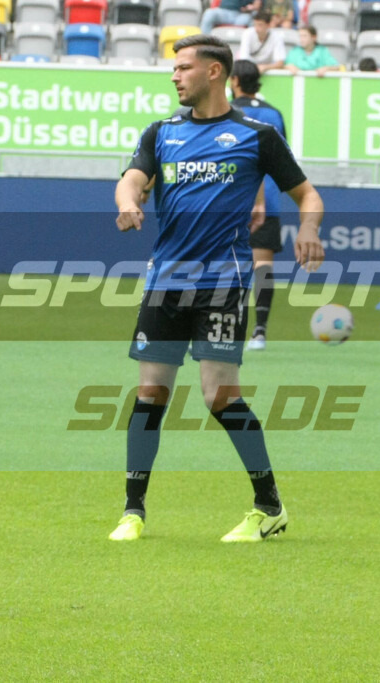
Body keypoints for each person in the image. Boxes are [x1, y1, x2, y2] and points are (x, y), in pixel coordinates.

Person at [112, 35, 325, 542]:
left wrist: (310, 229)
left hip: (223, 283)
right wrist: (128, 200)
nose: (174, 76)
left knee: (219, 396)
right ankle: (132, 511)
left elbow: (307, 194)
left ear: (214, 72)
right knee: (150, 393)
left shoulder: (256, 135)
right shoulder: (161, 132)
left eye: (183, 67)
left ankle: (269, 506)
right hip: (165, 281)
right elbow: (131, 178)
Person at [226, 59, 289, 351]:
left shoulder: (224, 112)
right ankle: (259, 332)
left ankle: (221, 330)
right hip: (270, 197)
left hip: (231, 197)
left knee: (223, 266)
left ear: (234, 80)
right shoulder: (274, 113)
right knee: (263, 265)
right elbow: (282, 156)